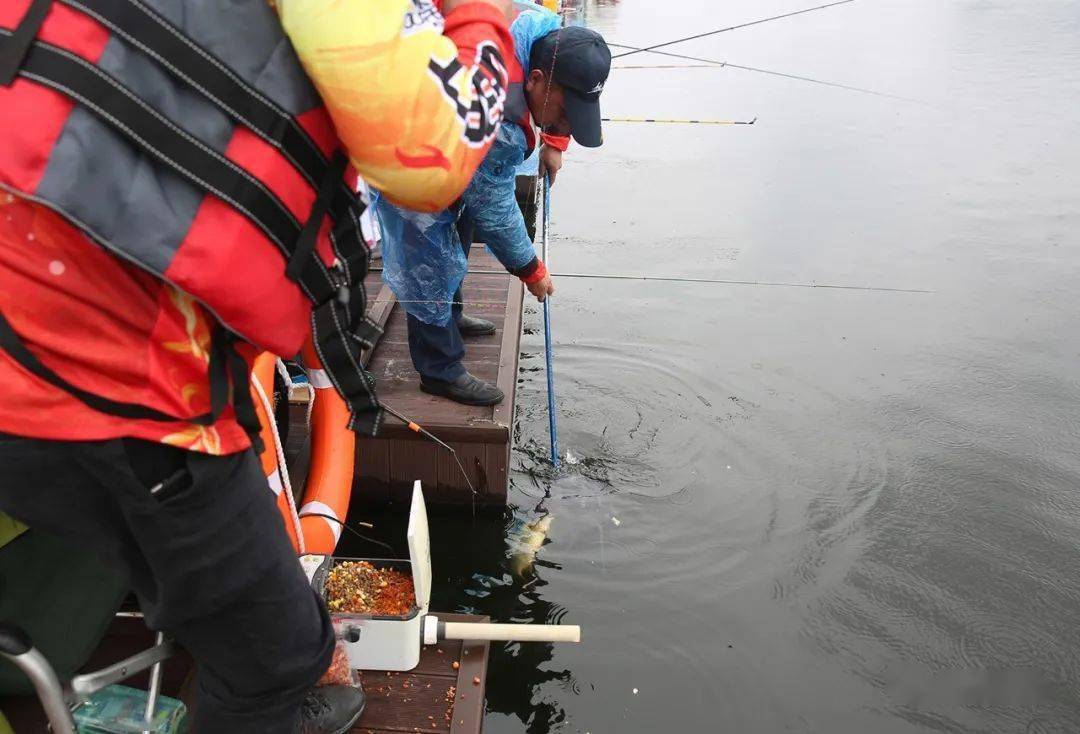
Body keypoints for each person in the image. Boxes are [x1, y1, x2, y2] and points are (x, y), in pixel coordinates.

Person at [0, 1, 515, 732]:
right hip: (110, 379)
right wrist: (478, 18)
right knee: (279, 660)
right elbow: (426, 157)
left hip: (37, 340)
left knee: (209, 591)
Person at [374, 8, 612, 405]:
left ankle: (451, 311)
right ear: (535, 80)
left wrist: (555, 140)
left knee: (461, 220)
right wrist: (530, 269)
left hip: (444, 119)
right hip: (406, 137)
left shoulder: (538, 31)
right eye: (566, 115)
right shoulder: (498, 120)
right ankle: (439, 369)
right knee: (427, 247)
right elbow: (494, 206)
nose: (568, 124)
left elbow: (556, 95)